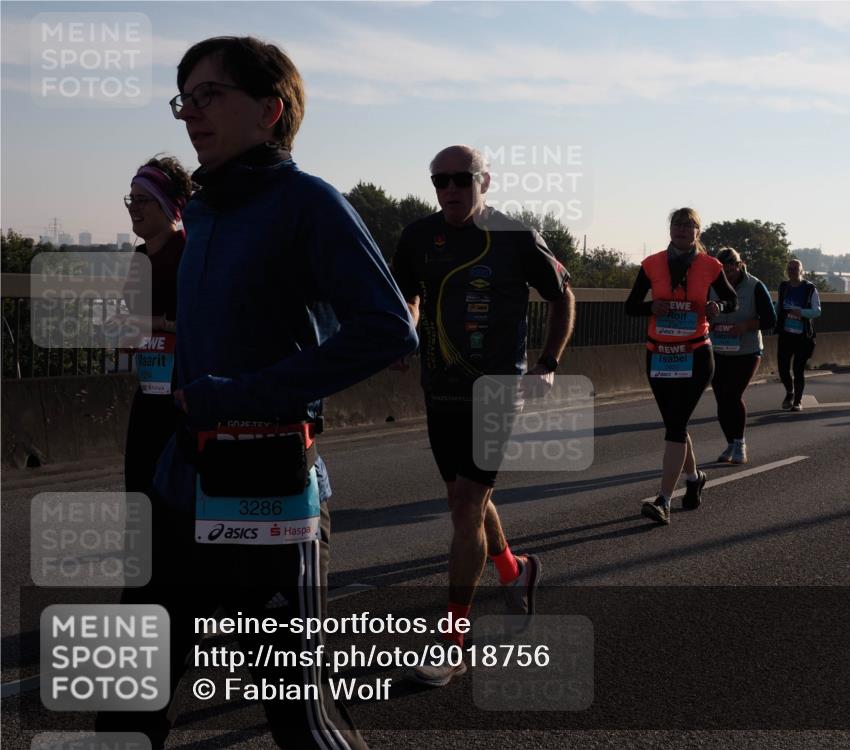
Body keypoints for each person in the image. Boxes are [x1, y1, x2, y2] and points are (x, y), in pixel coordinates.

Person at [97, 36, 417, 750]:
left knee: (299, 720)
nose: (190, 113)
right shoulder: (204, 212)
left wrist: (246, 393)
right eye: (184, 98)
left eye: (210, 95)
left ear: (271, 109)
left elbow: (389, 330)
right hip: (179, 483)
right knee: (123, 696)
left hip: (266, 489)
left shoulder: (310, 203)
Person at [392, 144, 574, 686]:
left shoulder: (516, 237)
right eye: (439, 180)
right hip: (440, 387)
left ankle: (454, 642)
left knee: (467, 504)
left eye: (461, 179)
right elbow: (408, 296)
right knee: (463, 498)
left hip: (497, 390)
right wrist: (407, 328)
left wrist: (547, 364)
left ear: (484, 180)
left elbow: (564, 297)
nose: (450, 189)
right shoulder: (418, 237)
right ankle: (516, 572)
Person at [625, 207, 737, 525]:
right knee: (676, 424)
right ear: (670, 230)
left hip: (696, 354)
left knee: (675, 426)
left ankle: (663, 500)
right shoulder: (651, 264)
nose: (682, 229)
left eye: (689, 225)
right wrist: (652, 306)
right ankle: (694, 477)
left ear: (697, 233)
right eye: (677, 224)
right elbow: (630, 306)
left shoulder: (710, 266)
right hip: (658, 354)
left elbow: (732, 300)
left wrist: (718, 305)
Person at [122, 156, 192, 495]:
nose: (133, 207)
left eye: (142, 199)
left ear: (167, 204)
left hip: (184, 393)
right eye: (130, 199)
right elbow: (129, 328)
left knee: (175, 499)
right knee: (139, 491)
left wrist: (155, 324)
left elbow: (192, 323)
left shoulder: (188, 253)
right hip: (149, 391)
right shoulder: (138, 259)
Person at [708, 247, 776, 464]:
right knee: (721, 397)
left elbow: (771, 320)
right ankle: (730, 443)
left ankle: (740, 443)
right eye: (722, 272)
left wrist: (746, 325)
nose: (727, 276)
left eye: (731, 270)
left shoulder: (755, 286)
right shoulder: (710, 284)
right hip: (717, 348)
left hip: (746, 350)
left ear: (739, 265)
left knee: (733, 395)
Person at [776, 258, 821, 412]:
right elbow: (778, 307)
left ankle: (797, 401)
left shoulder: (809, 289)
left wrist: (800, 312)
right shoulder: (783, 287)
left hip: (802, 336)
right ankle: (790, 391)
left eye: (795, 269)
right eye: (790, 269)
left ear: (801, 271)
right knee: (782, 368)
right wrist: (771, 321)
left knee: (798, 369)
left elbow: (817, 311)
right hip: (786, 334)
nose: (792, 271)